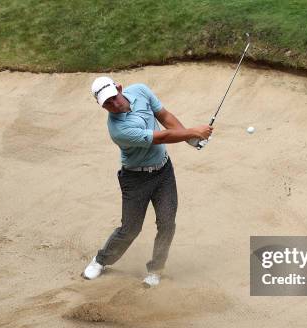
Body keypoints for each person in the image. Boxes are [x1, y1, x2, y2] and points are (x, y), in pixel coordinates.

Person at [83, 76, 213, 287]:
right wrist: (192, 131)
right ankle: (101, 260)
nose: (114, 105)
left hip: (164, 172)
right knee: (131, 228)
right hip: (136, 179)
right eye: (107, 103)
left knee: (167, 223)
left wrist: (190, 139)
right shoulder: (118, 130)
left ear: (119, 88)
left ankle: (156, 269)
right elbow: (160, 137)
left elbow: (164, 115)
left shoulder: (140, 91)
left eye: (114, 98)